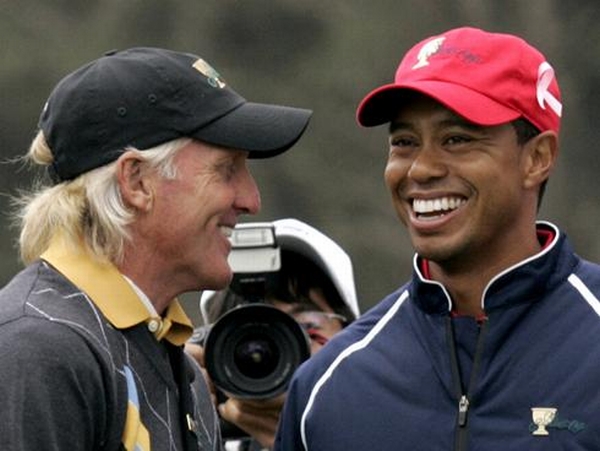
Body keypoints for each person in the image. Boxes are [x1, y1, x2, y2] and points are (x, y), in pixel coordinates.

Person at [275, 26, 600, 451]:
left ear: (537, 158)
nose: (421, 169)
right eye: (404, 142)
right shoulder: (329, 385)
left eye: (457, 140)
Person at [0, 47, 311, 451]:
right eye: (226, 169)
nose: (251, 200)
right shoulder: (37, 349)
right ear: (136, 182)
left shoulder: (180, 365)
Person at [187, 218, 360, 450]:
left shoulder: (389, 424)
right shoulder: (192, 429)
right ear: (212, 358)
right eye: (249, 336)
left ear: (355, 340)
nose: (276, 353)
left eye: (307, 326)